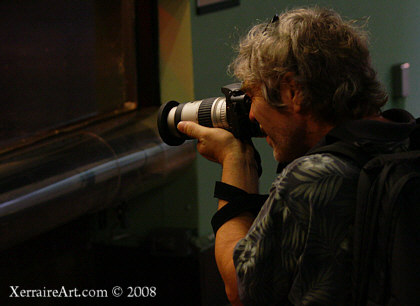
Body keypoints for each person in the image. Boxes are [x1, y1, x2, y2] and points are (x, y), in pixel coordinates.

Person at [177, 7, 416, 305]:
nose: (250, 114)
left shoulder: (314, 177)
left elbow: (240, 287)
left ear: (293, 91)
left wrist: (235, 163)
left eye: (253, 96)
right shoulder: (408, 139)